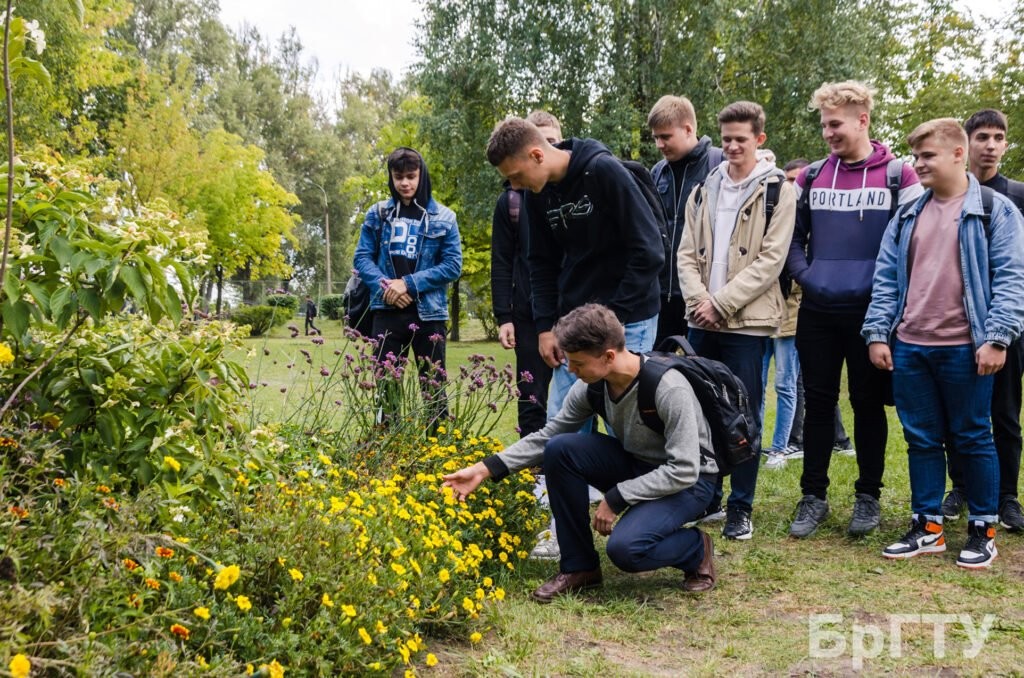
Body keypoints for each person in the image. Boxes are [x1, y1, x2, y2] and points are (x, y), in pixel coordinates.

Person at [442, 304, 719, 602]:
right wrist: (484, 468)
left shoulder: (668, 389)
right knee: (561, 449)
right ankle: (580, 569)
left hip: (690, 481)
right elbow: (549, 435)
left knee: (626, 549)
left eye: (578, 363)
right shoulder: (592, 385)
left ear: (609, 356)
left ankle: (695, 548)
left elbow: (684, 469)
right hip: (640, 464)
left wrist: (617, 497)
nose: (570, 370)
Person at [863, 118, 1024, 568]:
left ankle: (983, 528)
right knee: (920, 439)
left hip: (965, 347)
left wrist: (996, 338)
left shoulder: (995, 210)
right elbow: (886, 279)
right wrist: (879, 333)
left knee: (973, 435)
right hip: (911, 346)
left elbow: (1013, 281)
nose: (918, 164)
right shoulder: (908, 214)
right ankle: (927, 525)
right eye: (915, 156)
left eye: (927, 156)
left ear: (958, 154)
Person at [785, 81, 923, 539]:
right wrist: (809, 276)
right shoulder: (811, 177)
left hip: (873, 313)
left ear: (863, 120)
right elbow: (794, 239)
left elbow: (911, 244)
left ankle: (868, 497)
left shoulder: (898, 175)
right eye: (824, 125)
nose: (828, 133)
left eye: (835, 124)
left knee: (867, 406)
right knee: (819, 404)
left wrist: (884, 295)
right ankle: (813, 497)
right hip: (818, 312)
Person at [485, 117, 664, 433]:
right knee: (563, 428)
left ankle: (623, 484)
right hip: (573, 321)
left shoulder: (603, 171)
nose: (513, 187)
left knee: (627, 428)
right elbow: (540, 262)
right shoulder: (535, 194)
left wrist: (611, 318)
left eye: (515, 176)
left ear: (537, 155)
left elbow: (649, 252)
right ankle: (570, 484)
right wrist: (544, 327)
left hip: (629, 318)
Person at [677, 100, 796, 540]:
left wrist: (722, 303)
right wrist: (698, 299)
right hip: (701, 319)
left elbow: (771, 261)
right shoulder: (704, 188)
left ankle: (740, 507)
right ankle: (706, 496)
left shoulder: (778, 190)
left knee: (741, 413)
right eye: (725, 138)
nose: (730, 146)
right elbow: (686, 253)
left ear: (759, 140)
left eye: (740, 140)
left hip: (746, 322)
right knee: (700, 411)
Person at [942, 109, 1024, 532]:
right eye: (983, 137)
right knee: (960, 412)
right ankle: (960, 487)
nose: (991, 145)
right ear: (966, 144)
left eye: (998, 137)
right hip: (958, 324)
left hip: (1006, 328)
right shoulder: (946, 195)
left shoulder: (1016, 196)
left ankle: (1007, 496)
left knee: (1005, 412)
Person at [490, 110, 562, 560]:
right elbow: (504, 258)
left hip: (569, 310)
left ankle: (581, 471)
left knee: (574, 395)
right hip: (528, 310)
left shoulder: (576, 187)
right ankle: (536, 473)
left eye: (557, 139)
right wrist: (505, 315)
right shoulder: (512, 201)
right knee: (532, 393)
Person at [353, 147, 462, 431]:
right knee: (385, 390)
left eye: (411, 176)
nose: (405, 183)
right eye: (398, 176)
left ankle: (437, 451)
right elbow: (362, 258)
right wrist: (388, 286)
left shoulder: (445, 217)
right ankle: (385, 446)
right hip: (387, 311)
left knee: (434, 389)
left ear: (421, 175)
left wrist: (409, 285)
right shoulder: (377, 214)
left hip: (429, 315)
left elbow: (452, 266)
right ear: (391, 177)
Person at [648, 95, 723, 345]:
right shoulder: (657, 172)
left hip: (704, 297)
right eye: (656, 137)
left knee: (704, 374)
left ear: (688, 129)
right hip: (661, 296)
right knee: (656, 374)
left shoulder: (720, 164)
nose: (659, 144)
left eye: (665, 136)